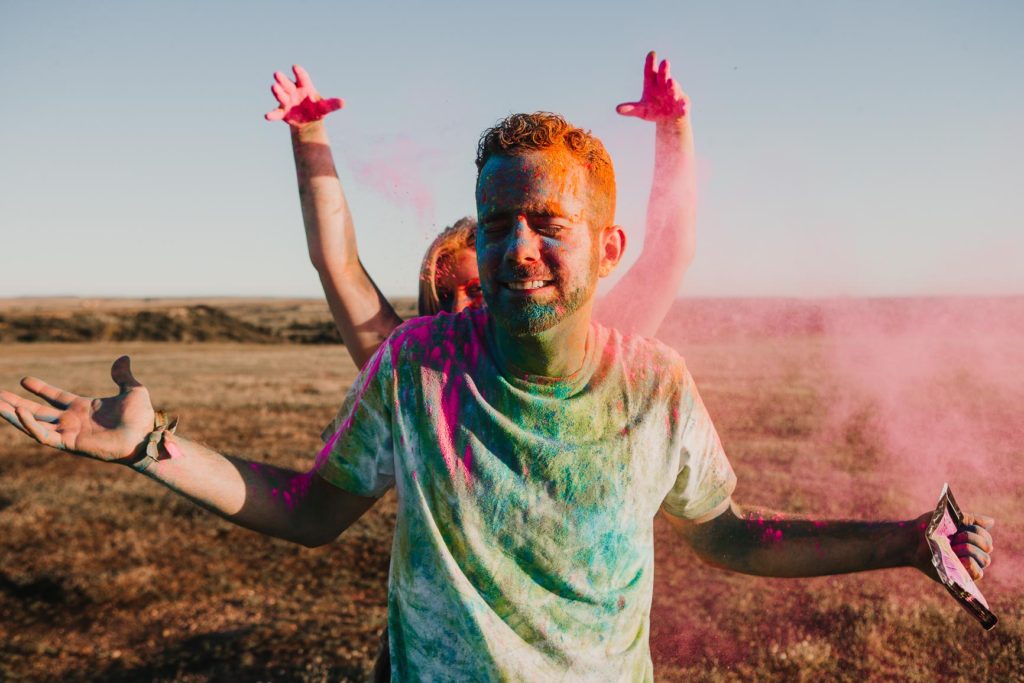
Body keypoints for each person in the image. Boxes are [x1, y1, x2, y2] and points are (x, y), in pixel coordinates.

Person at [0, 114, 994, 680]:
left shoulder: (652, 382)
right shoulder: (413, 366)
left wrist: (905, 539)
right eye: (492, 223)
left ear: (606, 247)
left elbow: (727, 535)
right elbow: (308, 508)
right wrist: (152, 447)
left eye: (545, 223)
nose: (514, 247)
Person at [265, 52, 697, 369]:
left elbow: (667, 254)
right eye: (441, 298)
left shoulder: (593, 353)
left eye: (473, 290)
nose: (456, 308)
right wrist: (308, 135)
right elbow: (338, 264)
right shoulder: (420, 369)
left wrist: (672, 129)